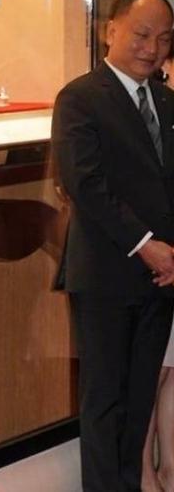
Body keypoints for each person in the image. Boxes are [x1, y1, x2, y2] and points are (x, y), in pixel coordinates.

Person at [52, 0, 174, 491]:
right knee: (104, 404)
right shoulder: (80, 97)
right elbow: (85, 184)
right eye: (142, 35)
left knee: (139, 402)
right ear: (111, 31)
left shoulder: (165, 100)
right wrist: (147, 245)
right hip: (106, 275)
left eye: (163, 39)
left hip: (160, 278)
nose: (152, 48)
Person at [142, 47, 174, 492]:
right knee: (151, 373)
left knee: (169, 370)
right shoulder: (152, 107)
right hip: (151, 256)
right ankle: (146, 475)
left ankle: (167, 470)